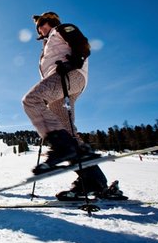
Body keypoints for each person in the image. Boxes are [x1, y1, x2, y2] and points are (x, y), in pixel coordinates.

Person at [22, 11, 126, 201]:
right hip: (58, 86)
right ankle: (93, 181)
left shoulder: (61, 29)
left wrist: (74, 62)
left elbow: (82, 43)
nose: (41, 28)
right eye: (38, 27)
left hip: (68, 76)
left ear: (51, 21)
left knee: (31, 100)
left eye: (43, 23)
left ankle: (61, 146)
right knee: (68, 135)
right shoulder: (46, 46)